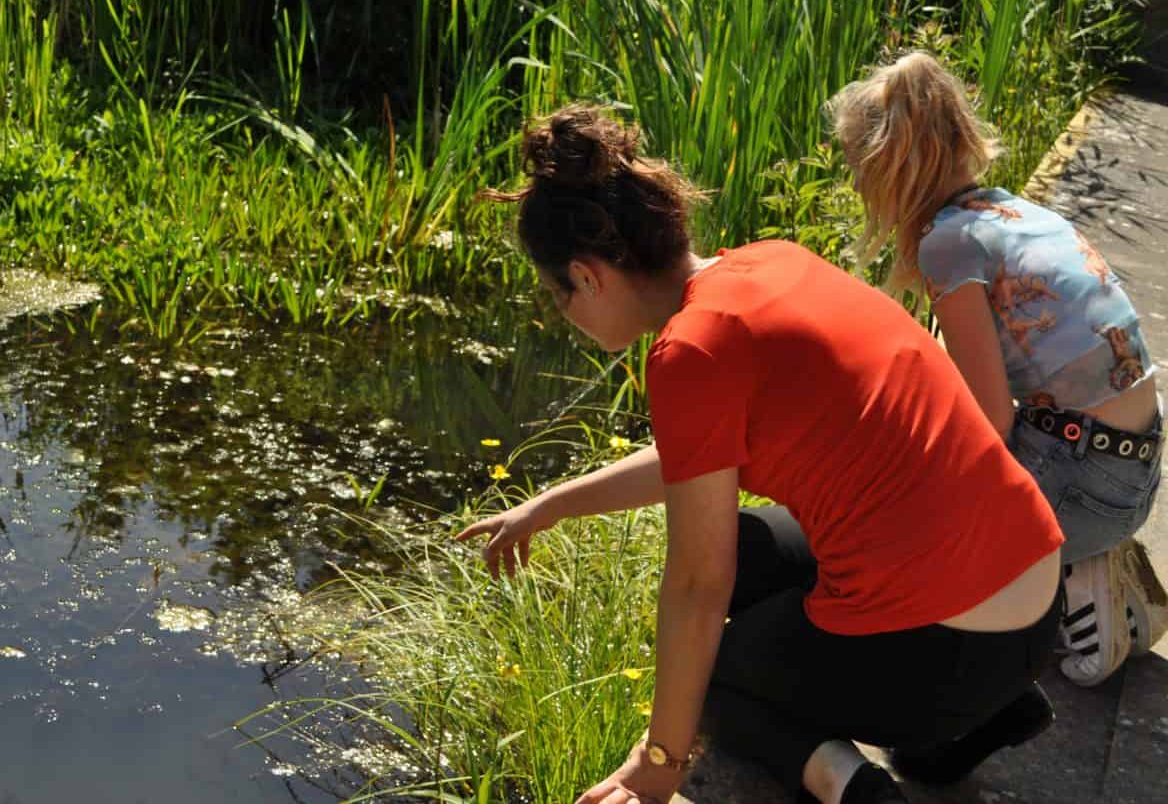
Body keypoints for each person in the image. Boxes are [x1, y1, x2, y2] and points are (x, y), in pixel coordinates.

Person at [457, 104, 1064, 804]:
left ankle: (850, 783)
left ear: (587, 277)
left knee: (711, 677)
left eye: (556, 295)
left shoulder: (688, 351)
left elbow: (697, 583)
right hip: (1033, 600)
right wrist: (550, 505)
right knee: (750, 547)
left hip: (951, 650)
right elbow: (696, 461)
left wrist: (659, 760)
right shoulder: (767, 264)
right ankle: (994, 708)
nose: (565, 314)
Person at [828, 51, 1163, 687]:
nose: (855, 188)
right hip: (1134, 464)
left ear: (889, 168)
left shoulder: (947, 244)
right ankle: (1090, 555)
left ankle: (1071, 578)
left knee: (914, 548)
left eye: (858, 171)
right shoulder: (1012, 213)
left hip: (1086, 482)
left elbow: (988, 419)